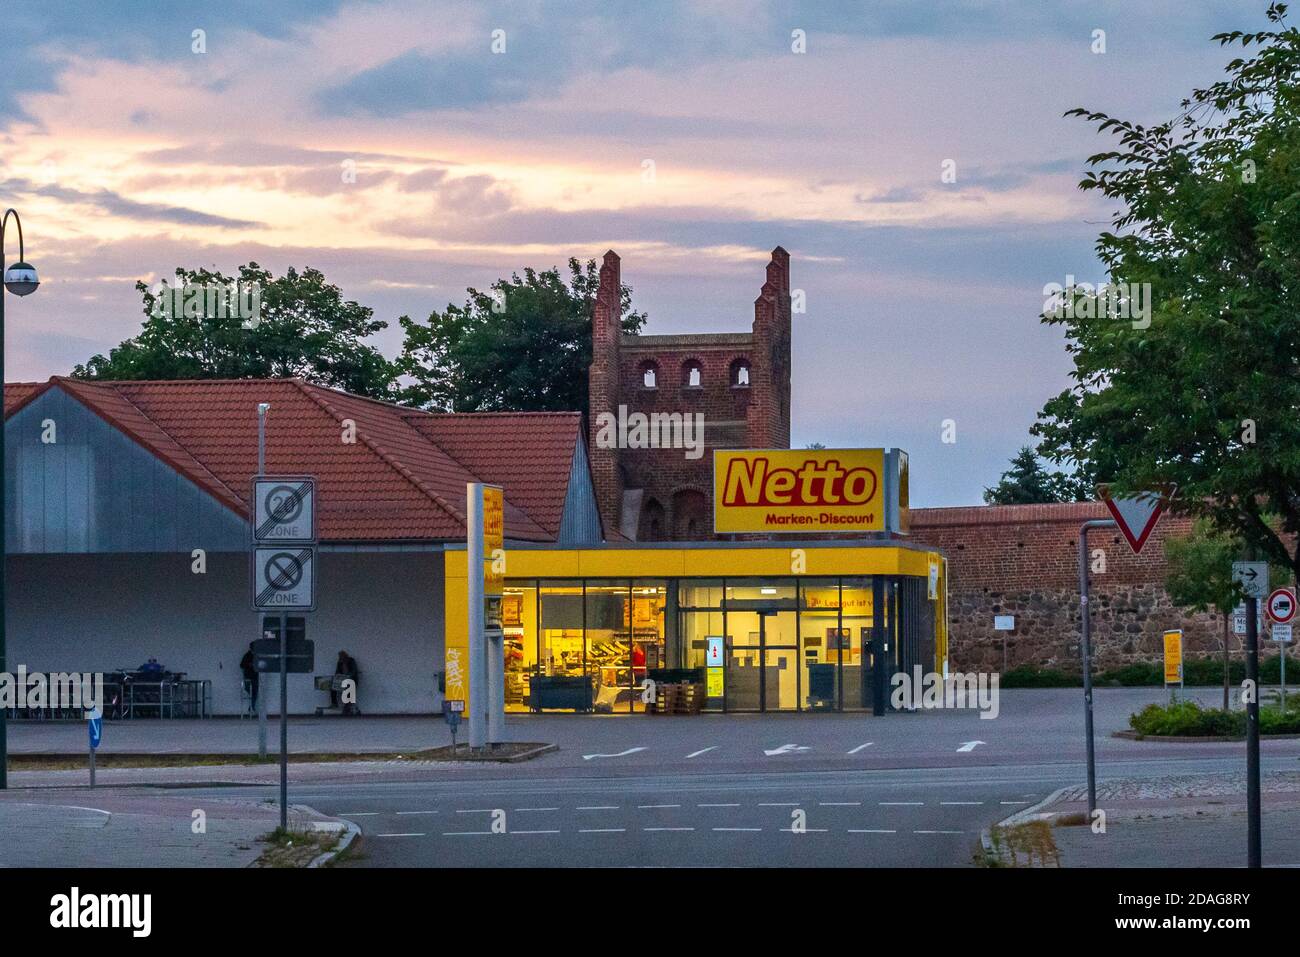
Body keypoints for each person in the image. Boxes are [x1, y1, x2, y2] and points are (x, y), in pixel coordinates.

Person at [333, 651, 360, 715]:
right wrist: (337, 677)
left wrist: (349, 676)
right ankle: (334, 703)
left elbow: (354, 670)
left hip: (351, 679)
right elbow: (337, 671)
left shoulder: (351, 661)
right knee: (332, 688)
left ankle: (347, 707)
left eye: (342, 656)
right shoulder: (339, 663)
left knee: (349, 689)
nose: (341, 658)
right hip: (342, 680)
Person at [239, 642, 258, 713]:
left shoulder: (257, 655)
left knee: (255, 692)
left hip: (255, 677)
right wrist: (249, 665)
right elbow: (242, 665)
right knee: (251, 691)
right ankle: (251, 707)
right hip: (249, 676)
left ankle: (252, 707)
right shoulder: (247, 655)